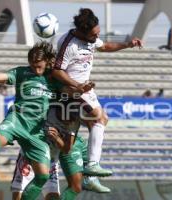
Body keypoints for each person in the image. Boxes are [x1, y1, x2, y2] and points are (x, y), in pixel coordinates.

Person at [0, 41, 91, 199]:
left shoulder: (52, 79)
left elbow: (67, 90)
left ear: (46, 62)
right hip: (17, 119)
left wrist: (79, 89)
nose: (36, 69)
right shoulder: (21, 72)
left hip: (38, 131)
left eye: (39, 66)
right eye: (33, 65)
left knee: (42, 176)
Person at [52, 8, 143, 176]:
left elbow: (106, 46)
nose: (96, 38)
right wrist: (76, 86)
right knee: (98, 118)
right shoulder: (69, 44)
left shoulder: (91, 38)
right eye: (94, 35)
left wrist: (127, 44)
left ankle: (91, 173)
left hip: (84, 90)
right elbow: (57, 71)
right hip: (71, 91)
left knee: (101, 120)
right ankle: (91, 165)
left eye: (97, 33)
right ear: (82, 31)